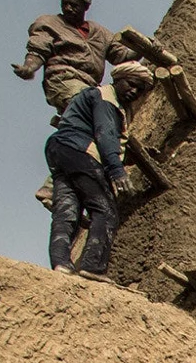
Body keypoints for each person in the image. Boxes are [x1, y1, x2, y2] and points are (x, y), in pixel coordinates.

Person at [44, 58, 151, 281]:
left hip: (59, 149)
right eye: (131, 84)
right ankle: (93, 267)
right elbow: (105, 136)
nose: (133, 91)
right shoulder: (106, 98)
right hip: (81, 151)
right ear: (119, 79)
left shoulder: (92, 95)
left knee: (68, 208)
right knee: (105, 210)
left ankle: (60, 263)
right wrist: (117, 171)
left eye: (139, 90)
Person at [13, 0, 134, 111]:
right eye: (65, 4)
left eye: (74, 5)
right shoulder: (50, 24)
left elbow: (121, 56)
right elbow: (38, 50)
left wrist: (141, 49)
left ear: (85, 7)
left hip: (90, 86)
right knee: (91, 102)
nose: (68, 8)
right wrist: (29, 68)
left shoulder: (100, 33)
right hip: (63, 80)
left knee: (111, 107)